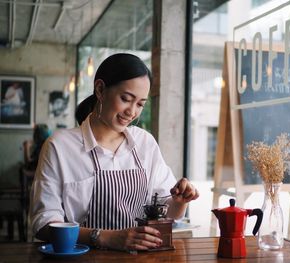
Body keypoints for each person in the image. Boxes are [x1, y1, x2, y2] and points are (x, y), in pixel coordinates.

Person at [29, 53, 199, 251]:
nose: (132, 112)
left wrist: (179, 201)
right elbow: (43, 224)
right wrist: (105, 238)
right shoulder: (60, 146)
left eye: (140, 104)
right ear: (100, 90)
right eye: (126, 99)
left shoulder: (145, 143)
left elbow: (169, 212)